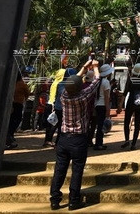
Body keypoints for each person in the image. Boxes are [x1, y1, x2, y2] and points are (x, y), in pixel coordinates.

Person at [49, 60, 99, 211]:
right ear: (79, 87)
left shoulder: (64, 96)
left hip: (63, 138)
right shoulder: (82, 97)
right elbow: (96, 82)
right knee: (77, 170)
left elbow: (71, 83)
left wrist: (83, 68)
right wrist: (95, 67)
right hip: (78, 139)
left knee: (59, 169)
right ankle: (73, 201)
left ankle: (55, 200)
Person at [121, 63, 140, 149]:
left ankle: (127, 140)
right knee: (137, 124)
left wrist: (120, 105)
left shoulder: (131, 79)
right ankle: (133, 143)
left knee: (127, 121)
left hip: (130, 102)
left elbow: (125, 92)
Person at [6, 70, 30, 149]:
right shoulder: (22, 84)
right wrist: (24, 99)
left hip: (10, 104)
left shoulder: (11, 83)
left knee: (10, 120)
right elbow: (27, 93)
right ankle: (9, 136)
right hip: (18, 104)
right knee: (17, 119)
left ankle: (10, 136)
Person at [92, 64, 113, 150]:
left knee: (99, 125)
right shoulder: (106, 82)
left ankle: (98, 142)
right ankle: (98, 144)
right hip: (102, 105)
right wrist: (108, 109)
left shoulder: (97, 81)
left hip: (97, 104)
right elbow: (106, 97)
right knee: (101, 126)